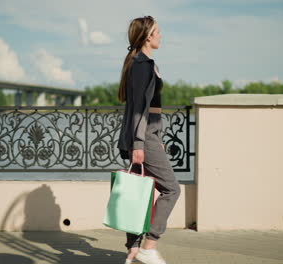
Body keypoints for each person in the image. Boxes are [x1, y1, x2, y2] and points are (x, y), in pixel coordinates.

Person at [117, 15, 181, 264]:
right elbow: (139, 109)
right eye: (157, 31)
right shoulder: (142, 64)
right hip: (141, 138)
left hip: (145, 136)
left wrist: (157, 136)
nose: (160, 35)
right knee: (171, 189)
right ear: (147, 36)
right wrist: (140, 144)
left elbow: (148, 108)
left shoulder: (138, 62)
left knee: (139, 194)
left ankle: (132, 251)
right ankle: (149, 245)